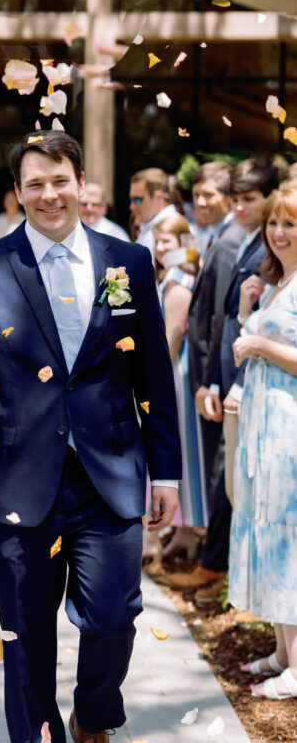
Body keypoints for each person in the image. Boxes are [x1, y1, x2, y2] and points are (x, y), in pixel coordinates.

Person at [0, 130, 181, 743]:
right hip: (18, 477)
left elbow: (150, 373)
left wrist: (165, 469)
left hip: (111, 472)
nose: (48, 194)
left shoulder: (126, 262)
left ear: (79, 182)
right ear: (18, 191)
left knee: (110, 616)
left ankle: (94, 724)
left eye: (59, 180)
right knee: (25, 633)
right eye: (34, 183)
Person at [228, 184, 297, 699]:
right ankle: (281, 650)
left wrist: (256, 342)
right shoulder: (278, 282)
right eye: (273, 224)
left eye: (289, 224)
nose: (278, 233)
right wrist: (248, 309)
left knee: (288, 535)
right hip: (262, 421)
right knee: (266, 528)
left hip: (289, 425)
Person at [168, 162, 245, 598]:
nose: (201, 202)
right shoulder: (214, 239)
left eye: (210, 194)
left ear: (230, 196)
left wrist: (211, 381)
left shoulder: (231, 241)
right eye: (196, 194)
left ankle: (214, 566)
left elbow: (222, 322)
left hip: (219, 377)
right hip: (211, 376)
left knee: (221, 473)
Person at [218, 160, 279, 508]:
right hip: (235, 378)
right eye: (235, 199)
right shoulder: (248, 238)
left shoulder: (270, 250)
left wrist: (240, 384)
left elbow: (270, 331)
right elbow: (232, 318)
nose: (239, 208)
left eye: (249, 200)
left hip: (258, 387)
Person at [152, 215, 207, 559]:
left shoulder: (179, 280)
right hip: (170, 368)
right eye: (157, 242)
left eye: (168, 243)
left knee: (182, 448)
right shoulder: (169, 276)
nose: (161, 249)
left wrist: (156, 379)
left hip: (174, 371)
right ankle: (182, 529)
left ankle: (188, 527)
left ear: (184, 244)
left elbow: (172, 334)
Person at [129, 168, 178, 260]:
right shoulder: (151, 227)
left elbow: (177, 272)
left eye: (138, 200)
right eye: (131, 200)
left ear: (159, 197)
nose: (132, 206)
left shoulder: (175, 227)